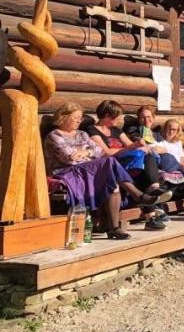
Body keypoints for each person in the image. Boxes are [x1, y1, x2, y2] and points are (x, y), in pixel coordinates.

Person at [44, 103, 168, 240]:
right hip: (67, 173)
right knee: (110, 162)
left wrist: (85, 152)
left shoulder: (82, 134)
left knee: (113, 182)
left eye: (80, 118)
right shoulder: (54, 136)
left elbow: (99, 152)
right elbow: (69, 158)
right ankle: (138, 196)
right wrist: (88, 154)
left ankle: (114, 228)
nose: (79, 121)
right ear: (64, 117)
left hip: (88, 169)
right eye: (76, 118)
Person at [87, 100, 170, 230]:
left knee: (146, 158)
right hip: (112, 166)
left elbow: (129, 144)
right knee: (143, 176)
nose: (119, 119)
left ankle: (152, 201)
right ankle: (151, 214)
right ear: (108, 115)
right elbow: (106, 152)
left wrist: (137, 145)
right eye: (117, 116)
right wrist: (130, 149)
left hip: (127, 164)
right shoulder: (93, 130)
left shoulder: (116, 130)